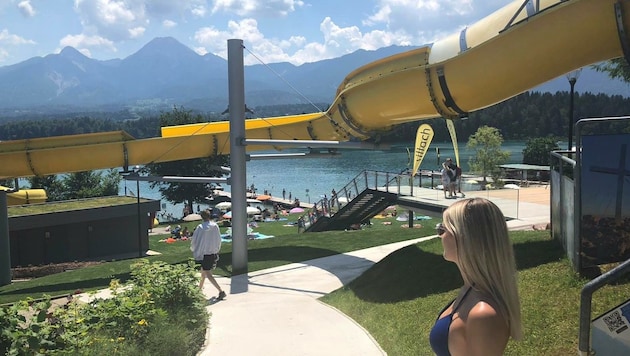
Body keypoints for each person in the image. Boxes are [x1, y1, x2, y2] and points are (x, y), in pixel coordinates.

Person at [430, 197, 522, 356]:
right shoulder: (470, 290)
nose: (440, 236)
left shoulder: (482, 314)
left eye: (442, 230)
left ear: (465, 237)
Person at [190, 209, 226, 301]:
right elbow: (218, 239)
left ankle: (221, 291)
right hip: (212, 252)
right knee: (203, 273)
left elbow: (194, 240)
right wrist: (217, 249)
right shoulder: (215, 226)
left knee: (208, 273)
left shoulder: (200, 227)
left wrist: (193, 249)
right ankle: (198, 291)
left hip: (203, 253)